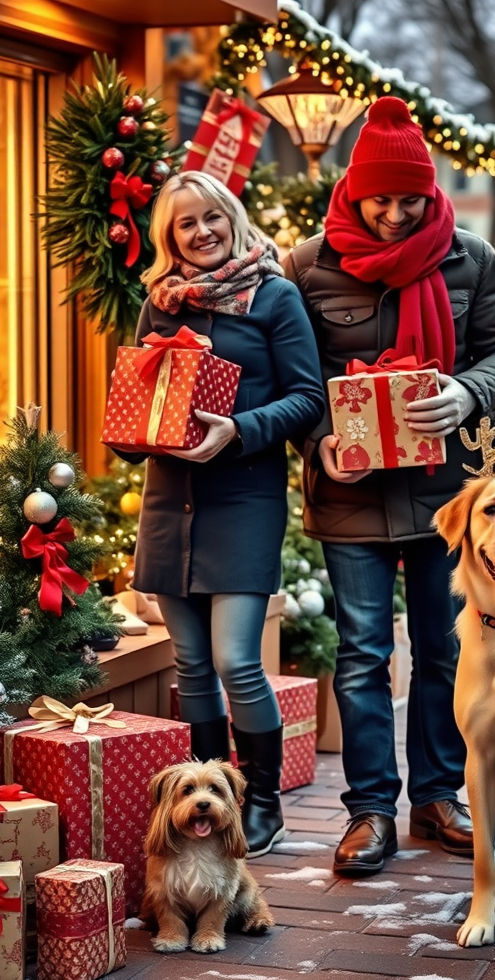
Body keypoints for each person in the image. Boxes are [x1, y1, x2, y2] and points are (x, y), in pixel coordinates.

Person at [283, 96, 495, 876]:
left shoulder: (470, 257)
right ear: (354, 190)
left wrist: (470, 393)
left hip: (447, 495)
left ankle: (437, 796)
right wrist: (322, 442)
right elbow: (294, 376)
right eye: (380, 198)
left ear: (429, 192)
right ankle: (369, 812)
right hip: (350, 496)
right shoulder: (308, 264)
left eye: (408, 198)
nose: (393, 213)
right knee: (359, 653)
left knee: (444, 648)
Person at [129, 170, 326, 858]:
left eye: (212, 217)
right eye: (186, 223)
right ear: (170, 235)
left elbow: (308, 397)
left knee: (236, 660)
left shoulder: (274, 296)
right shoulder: (160, 302)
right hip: (168, 501)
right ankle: (208, 802)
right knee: (189, 664)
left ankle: (261, 801)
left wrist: (239, 429)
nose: (202, 231)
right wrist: (134, 425)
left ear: (232, 219)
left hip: (243, 497)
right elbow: (144, 390)